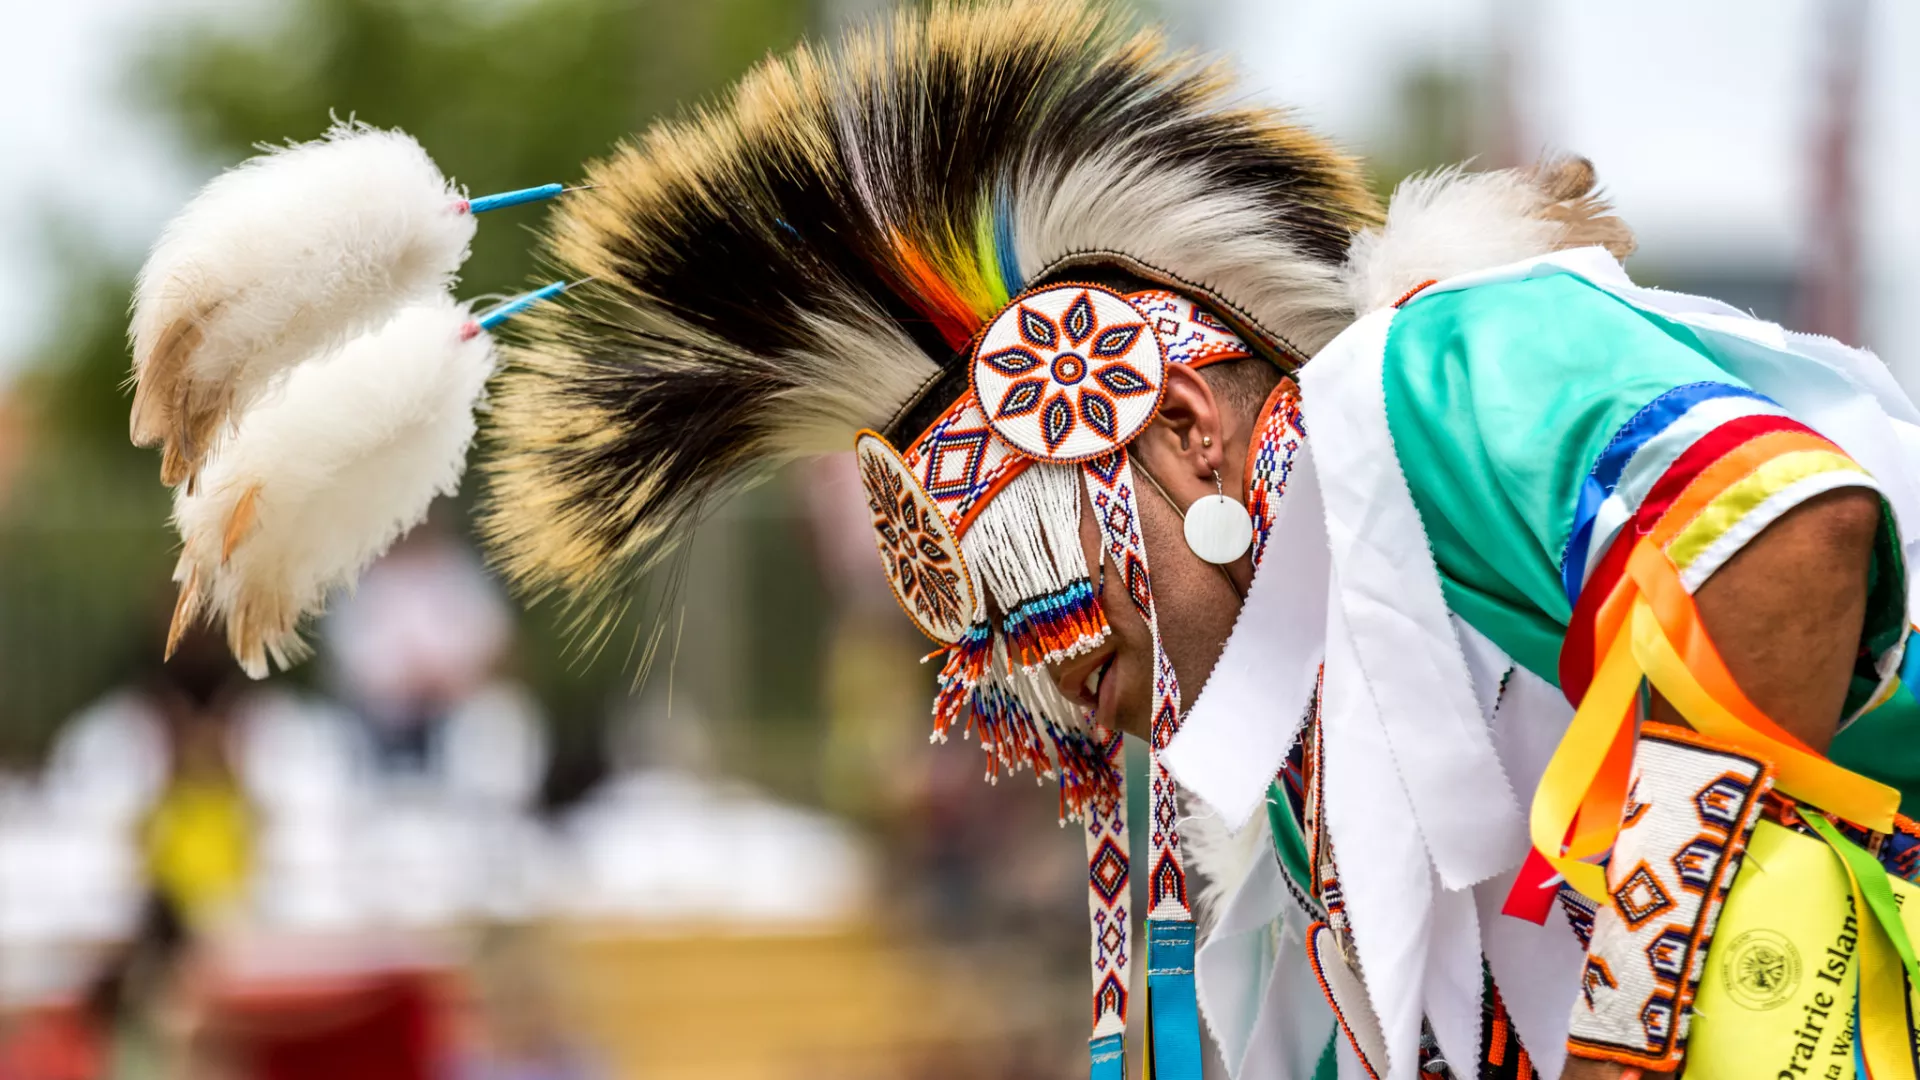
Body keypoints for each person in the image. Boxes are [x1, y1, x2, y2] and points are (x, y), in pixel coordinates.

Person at [130, 2, 1920, 1078]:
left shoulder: (1437, 383)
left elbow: (1787, 542)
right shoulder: (1291, 827)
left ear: (1179, 421)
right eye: (987, 642)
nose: (1045, 676)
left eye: (1037, 589)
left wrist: (1654, 993)